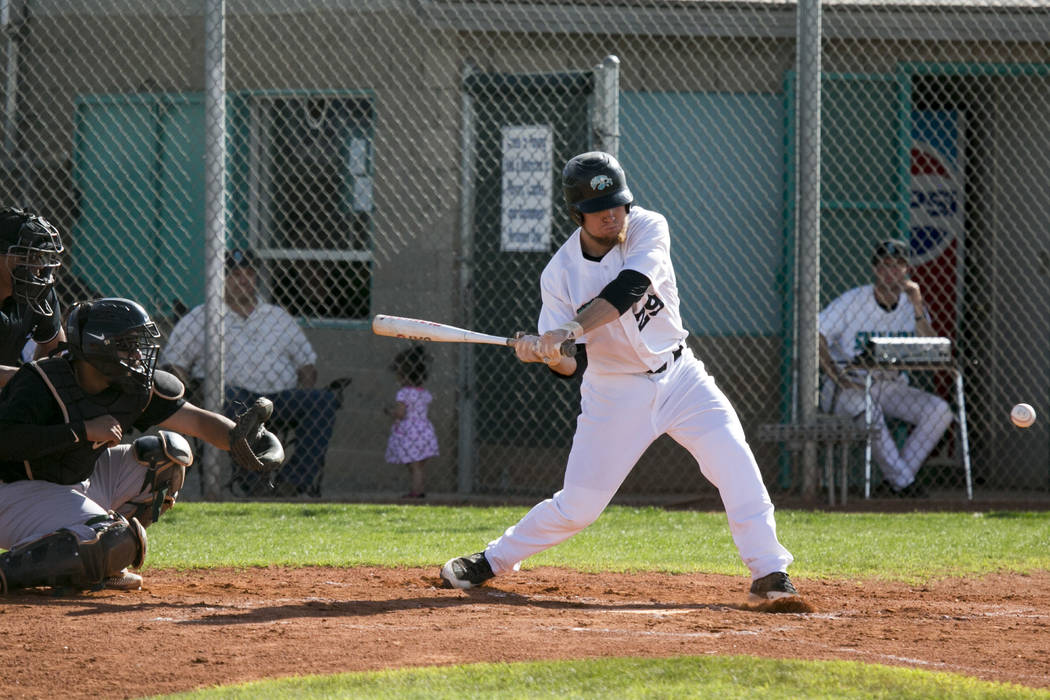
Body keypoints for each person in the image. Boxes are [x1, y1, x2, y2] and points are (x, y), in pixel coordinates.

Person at [440, 151, 798, 603]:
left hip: (681, 376)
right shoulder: (560, 274)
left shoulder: (648, 227)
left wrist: (568, 329)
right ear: (576, 215)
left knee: (734, 459)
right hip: (614, 392)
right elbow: (569, 365)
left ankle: (769, 571)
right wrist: (544, 353)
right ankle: (491, 561)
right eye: (598, 209)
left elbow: (629, 287)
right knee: (579, 506)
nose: (612, 215)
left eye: (618, 203)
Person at [0, 297, 282, 593]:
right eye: (127, 344)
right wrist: (80, 431)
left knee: (169, 455)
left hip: (73, 481)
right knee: (113, 535)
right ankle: (15, 571)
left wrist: (244, 439)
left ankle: (98, 560)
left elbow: (197, 422)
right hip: (14, 494)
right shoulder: (41, 382)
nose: (137, 354)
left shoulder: (131, 386)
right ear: (98, 346)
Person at [163, 249, 339, 497]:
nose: (243, 280)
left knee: (324, 400)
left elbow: (307, 365)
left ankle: (292, 482)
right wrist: (193, 393)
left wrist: (303, 390)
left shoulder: (276, 316)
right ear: (220, 279)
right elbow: (174, 362)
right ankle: (255, 480)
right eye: (235, 275)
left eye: (248, 274)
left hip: (280, 398)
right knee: (233, 401)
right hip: (231, 398)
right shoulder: (202, 316)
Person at [818, 239, 954, 498]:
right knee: (869, 411)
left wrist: (917, 306)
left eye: (897, 266)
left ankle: (897, 482)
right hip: (849, 385)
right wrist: (835, 375)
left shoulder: (912, 304)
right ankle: (904, 484)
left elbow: (931, 346)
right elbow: (817, 333)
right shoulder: (853, 300)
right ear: (875, 269)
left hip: (889, 385)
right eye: (885, 265)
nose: (890, 272)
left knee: (940, 411)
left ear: (906, 270)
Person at [0, 206, 66, 386]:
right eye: (25, 258)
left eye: (38, 256)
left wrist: (31, 389)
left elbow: (55, 351)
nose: (37, 267)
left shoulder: (36, 291)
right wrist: (31, 378)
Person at [384, 345, 438, 499]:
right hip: (425, 430)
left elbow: (400, 414)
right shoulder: (424, 393)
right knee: (419, 467)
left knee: (414, 467)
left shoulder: (403, 393)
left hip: (410, 433)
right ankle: (419, 490)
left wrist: (390, 412)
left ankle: (416, 493)